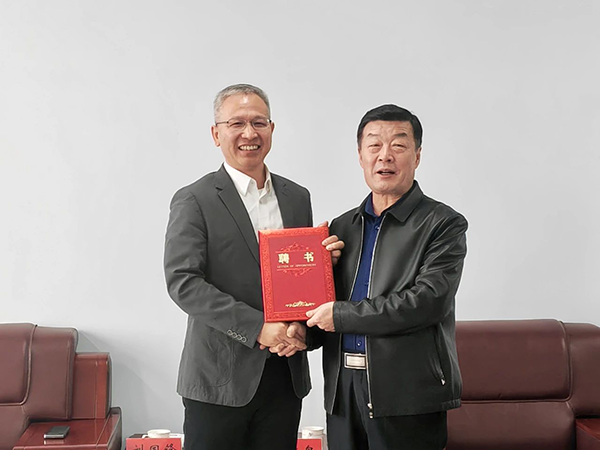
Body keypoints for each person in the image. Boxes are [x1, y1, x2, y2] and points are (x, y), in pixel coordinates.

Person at [164, 84, 343, 450]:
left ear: (271, 130)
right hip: (219, 379)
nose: (249, 133)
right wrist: (258, 328)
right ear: (216, 134)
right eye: (236, 123)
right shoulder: (194, 199)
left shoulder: (296, 197)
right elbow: (184, 283)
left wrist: (323, 270)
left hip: (284, 373)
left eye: (259, 123)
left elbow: (297, 279)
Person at [306, 104, 468, 450]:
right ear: (360, 155)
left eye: (398, 145)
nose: (385, 156)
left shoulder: (443, 224)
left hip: (407, 394)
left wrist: (340, 315)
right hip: (342, 391)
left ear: (417, 155)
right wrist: (298, 328)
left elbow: (427, 302)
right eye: (374, 145)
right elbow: (324, 307)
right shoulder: (341, 228)